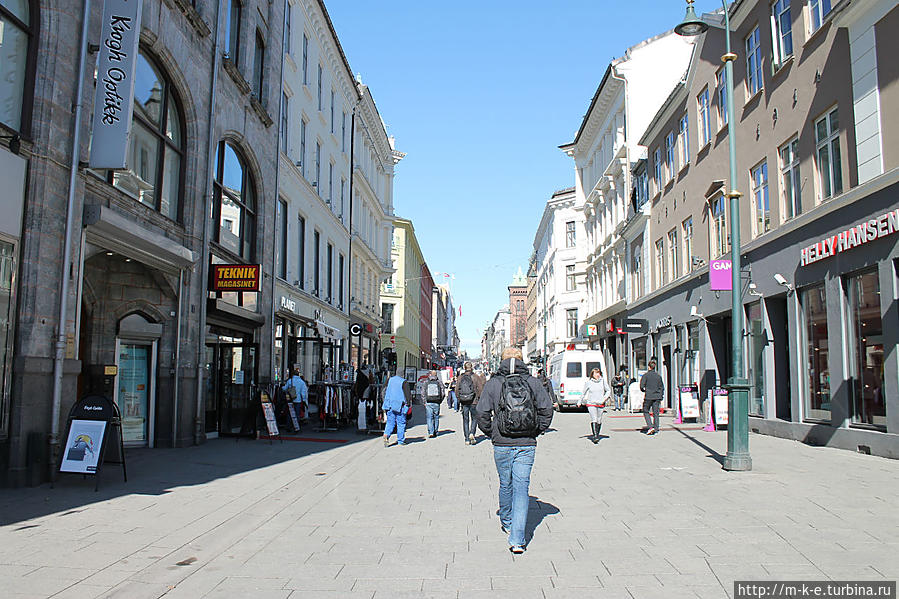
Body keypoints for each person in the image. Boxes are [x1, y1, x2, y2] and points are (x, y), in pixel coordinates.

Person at [476, 347, 553, 554]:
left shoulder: (493, 383)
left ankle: (507, 520)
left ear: (501, 361)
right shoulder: (533, 382)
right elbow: (547, 409)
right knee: (521, 488)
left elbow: (481, 412)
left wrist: (492, 432)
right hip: (526, 443)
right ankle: (517, 540)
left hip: (501, 443)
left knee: (505, 484)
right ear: (522, 361)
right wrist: (536, 430)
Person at [454, 361, 486, 445]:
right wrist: (479, 399)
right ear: (471, 367)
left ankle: (467, 439)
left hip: (464, 402)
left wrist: (459, 399)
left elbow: (456, 390)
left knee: (465, 420)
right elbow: (480, 389)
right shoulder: (476, 377)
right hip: (474, 401)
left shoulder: (460, 377)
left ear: (464, 368)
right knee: (474, 418)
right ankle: (472, 433)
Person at [578, 367, 611, 444]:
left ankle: (597, 433)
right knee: (594, 419)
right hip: (591, 403)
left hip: (600, 403)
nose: (597, 375)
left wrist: (604, 398)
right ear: (592, 374)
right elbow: (583, 393)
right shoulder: (589, 383)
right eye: (595, 373)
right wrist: (579, 401)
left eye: (598, 373)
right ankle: (595, 436)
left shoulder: (603, 381)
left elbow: (608, 390)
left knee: (599, 420)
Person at [382, 367, 413, 447]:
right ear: (403, 373)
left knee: (390, 422)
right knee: (401, 423)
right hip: (400, 406)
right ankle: (400, 440)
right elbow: (407, 395)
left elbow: (384, 390)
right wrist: (408, 404)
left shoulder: (389, 380)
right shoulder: (404, 382)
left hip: (389, 405)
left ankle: (386, 434)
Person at [640, 359, 665, 435]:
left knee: (645, 410)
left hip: (649, 396)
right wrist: (661, 395)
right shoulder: (658, 376)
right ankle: (656, 428)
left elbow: (641, 386)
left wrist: (644, 390)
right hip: (657, 396)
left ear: (649, 367)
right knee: (656, 413)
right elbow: (662, 387)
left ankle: (650, 427)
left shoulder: (645, 376)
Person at [421, 369, 444, 438]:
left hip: (428, 402)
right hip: (437, 402)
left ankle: (431, 432)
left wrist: (424, 401)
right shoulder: (439, 382)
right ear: (436, 375)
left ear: (430, 374)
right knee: (436, 417)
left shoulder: (426, 382)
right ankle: (436, 431)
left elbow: (423, 392)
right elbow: (442, 392)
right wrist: (440, 400)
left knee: (429, 417)